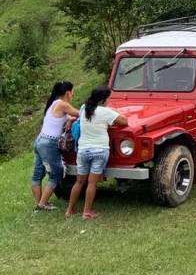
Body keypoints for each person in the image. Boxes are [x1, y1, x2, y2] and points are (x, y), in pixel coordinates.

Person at [66, 86, 128, 219]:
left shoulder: (83, 109)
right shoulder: (105, 111)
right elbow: (124, 121)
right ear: (103, 100)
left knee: (79, 182)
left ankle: (70, 210)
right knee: (91, 183)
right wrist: (113, 111)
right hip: (100, 150)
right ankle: (87, 212)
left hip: (83, 150)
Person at [32, 81, 79, 211]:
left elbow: (67, 115)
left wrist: (69, 118)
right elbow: (79, 113)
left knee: (38, 173)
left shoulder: (53, 103)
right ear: (68, 93)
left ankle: (40, 204)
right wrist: (72, 118)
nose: (72, 94)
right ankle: (42, 205)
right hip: (49, 143)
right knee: (57, 174)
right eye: (72, 91)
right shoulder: (63, 104)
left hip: (40, 140)